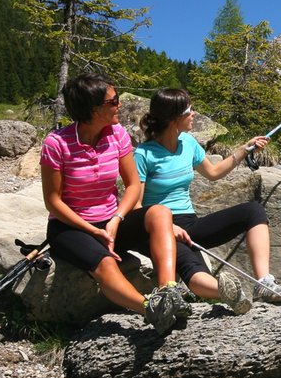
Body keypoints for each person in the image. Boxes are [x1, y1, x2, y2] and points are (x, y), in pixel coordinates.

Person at [40, 73, 191, 335]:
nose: (119, 105)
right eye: (113, 101)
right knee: (106, 263)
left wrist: (116, 219)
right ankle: (150, 308)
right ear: (93, 109)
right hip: (71, 227)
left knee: (159, 213)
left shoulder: (117, 134)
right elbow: (53, 202)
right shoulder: (57, 144)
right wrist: (92, 230)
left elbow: (133, 185)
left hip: (112, 222)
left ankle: (168, 292)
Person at [134, 88, 281, 315]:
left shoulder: (188, 143)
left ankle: (263, 283)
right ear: (173, 118)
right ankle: (231, 294)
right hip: (160, 229)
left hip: (190, 223)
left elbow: (213, 172)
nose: (194, 114)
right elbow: (136, 206)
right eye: (189, 110)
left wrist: (242, 150)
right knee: (192, 266)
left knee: (253, 211)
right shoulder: (143, 155)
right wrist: (168, 227)